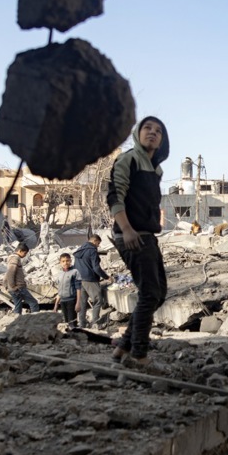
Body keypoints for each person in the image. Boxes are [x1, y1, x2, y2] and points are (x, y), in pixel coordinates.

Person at [107, 116, 169, 365]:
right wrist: (127, 229)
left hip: (147, 235)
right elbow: (114, 196)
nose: (152, 133)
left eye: (158, 131)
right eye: (147, 128)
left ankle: (123, 347)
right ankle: (139, 354)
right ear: (137, 133)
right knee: (149, 294)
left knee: (158, 293)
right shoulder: (128, 159)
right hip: (132, 235)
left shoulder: (156, 168)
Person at [74, 234, 109, 328]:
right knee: (98, 300)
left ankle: (82, 323)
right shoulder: (92, 250)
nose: (98, 246)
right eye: (98, 243)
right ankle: (95, 322)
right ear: (94, 241)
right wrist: (107, 277)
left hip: (79, 279)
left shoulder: (79, 250)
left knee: (82, 302)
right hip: (90, 279)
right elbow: (96, 268)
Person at [5, 243, 39, 314]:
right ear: (20, 251)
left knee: (18, 306)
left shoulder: (11, 258)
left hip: (13, 288)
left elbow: (7, 273)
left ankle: (17, 322)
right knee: (33, 303)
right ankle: (35, 320)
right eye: (25, 253)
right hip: (18, 287)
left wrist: (6, 285)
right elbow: (10, 272)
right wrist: (13, 286)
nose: (25, 255)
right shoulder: (15, 258)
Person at [53, 253, 81, 327]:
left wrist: (78, 303)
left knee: (72, 322)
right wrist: (56, 305)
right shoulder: (60, 274)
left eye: (67, 261)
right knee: (66, 322)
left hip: (71, 301)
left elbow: (78, 288)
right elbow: (59, 291)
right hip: (63, 301)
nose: (65, 263)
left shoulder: (75, 272)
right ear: (60, 262)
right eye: (63, 261)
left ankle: (75, 336)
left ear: (70, 261)